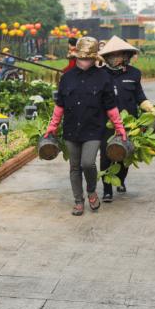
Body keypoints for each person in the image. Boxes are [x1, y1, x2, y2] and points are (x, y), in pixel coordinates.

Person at [45, 37, 127, 216]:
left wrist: (119, 128)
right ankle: (78, 201)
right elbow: (60, 105)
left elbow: (111, 107)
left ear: (94, 58)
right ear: (76, 56)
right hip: (71, 129)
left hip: (93, 129)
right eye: (81, 58)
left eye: (88, 58)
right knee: (74, 167)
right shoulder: (67, 77)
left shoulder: (103, 77)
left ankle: (91, 190)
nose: (84, 62)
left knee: (88, 163)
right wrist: (52, 126)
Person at [98, 36, 155, 202]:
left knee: (125, 155)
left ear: (126, 56)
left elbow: (140, 97)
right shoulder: (100, 75)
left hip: (130, 123)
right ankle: (107, 190)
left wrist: (151, 109)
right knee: (105, 156)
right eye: (113, 55)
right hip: (106, 122)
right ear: (107, 57)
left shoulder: (134, 74)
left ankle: (121, 179)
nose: (117, 58)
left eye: (120, 54)